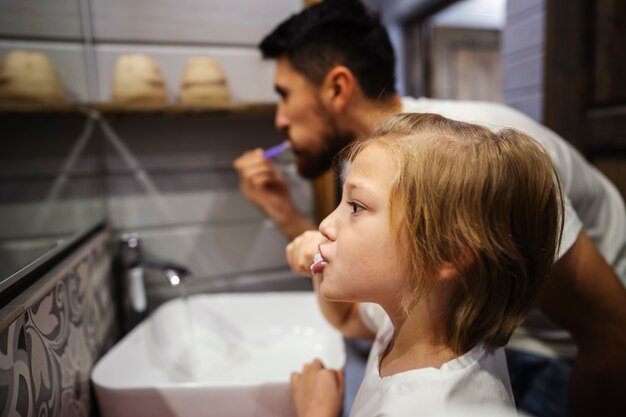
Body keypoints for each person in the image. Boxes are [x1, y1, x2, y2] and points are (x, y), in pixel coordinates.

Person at [233, 1, 626, 416]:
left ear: (337, 88)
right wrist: (286, 216)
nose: (279, 118)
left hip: (567, 355)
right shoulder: (375, 165)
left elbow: (611, 333)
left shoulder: (475, 160)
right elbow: (355, 305)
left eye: (284, 94)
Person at [289, 112, 564, 416]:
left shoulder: (436, 408)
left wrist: (315, 412)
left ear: (446, 253)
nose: (326, 224)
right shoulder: (417, 318)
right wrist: (320, 263)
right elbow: (346, 318)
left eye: (356, 206)